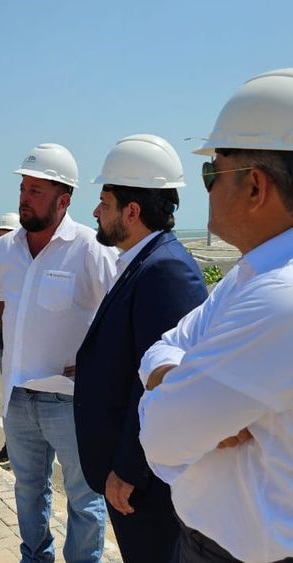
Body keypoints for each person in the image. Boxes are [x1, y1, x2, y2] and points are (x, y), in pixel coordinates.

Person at [138, 68, 293, 562]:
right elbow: (162, 347)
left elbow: (161, 437)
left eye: (213, 172)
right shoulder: (250, 277)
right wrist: (176, 377)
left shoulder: (277, 299)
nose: (206, 187)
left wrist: (166, 395)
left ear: (255, 187)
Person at [73, 134, 208, 562]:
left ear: (131, 212)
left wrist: (130, 470)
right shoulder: (139, 261)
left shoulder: (164, 270)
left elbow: (163, 384)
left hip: (143, 483)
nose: (95, 211)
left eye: (104, 203)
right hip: (128, 473)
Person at [0, 143, 117, 562]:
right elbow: (2, 308)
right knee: (27, 492)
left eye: (36, 191)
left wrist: (96, 363)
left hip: (71, 401)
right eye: (24, 188)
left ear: (64, 200)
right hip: (18, 397)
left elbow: (117, 316)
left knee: (84, 500)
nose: (24, 198)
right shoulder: (6, 248)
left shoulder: (91, 248)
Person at [0, 212, 20, 465]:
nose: (2, 240)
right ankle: (12, 446)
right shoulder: (2, 258)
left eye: (6, 234)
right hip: (6, 340)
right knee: (10, 395)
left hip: (27, 342)